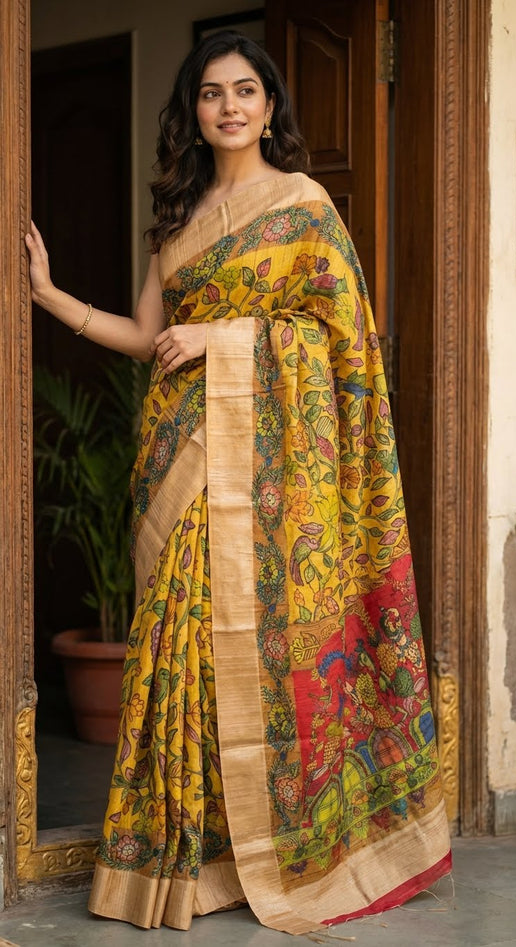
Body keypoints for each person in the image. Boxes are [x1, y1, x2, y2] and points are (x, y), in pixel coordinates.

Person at [26, 29, 451, 936]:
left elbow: (343, 341)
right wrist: (54, 296)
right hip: (177, 462)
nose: (228, 107)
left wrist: (227, 336)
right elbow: (147, 336)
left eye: (245, 91)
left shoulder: (301, 205)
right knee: (181, 651)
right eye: (212, 93)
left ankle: (270, 853)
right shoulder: (174, 220)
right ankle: (188, 856)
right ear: (194, 110)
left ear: (269, 107)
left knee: (261, 650)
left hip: (269, 471)